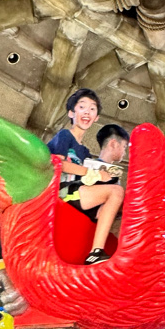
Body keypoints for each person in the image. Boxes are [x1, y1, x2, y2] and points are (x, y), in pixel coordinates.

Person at [47, 89, 127, 265]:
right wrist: (92, 173)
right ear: (71, 113)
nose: (87, 112)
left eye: (92, 109)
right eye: (82, 107)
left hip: (78, 194)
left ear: (96, 117)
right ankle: (96, 252)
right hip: (61, 191)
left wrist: (101, 176)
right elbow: (57, 165)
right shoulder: (65, 135)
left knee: (124, 206)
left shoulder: (85, 152)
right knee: (116, 192)